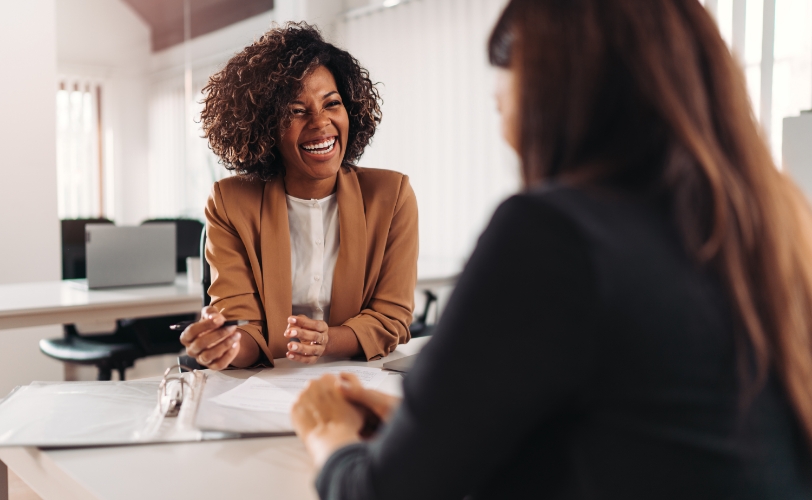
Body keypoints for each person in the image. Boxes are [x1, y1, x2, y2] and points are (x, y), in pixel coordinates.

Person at [290, 0, 812, 498]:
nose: (509, 136)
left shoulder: (555, 235)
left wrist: (328, 435)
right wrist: (434, 432)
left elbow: (381, 494)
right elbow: (639, 441)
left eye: (503, 109)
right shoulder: (775, 225)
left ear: (553, 103)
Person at [179, 23, 418, 369]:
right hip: (265, 384)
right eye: (296, 110)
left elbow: (391, 318)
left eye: (331, 103)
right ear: (265, 126)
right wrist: (225, 345)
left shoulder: (391, 196)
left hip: (357, 377)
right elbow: (244, 328)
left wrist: (327, 341)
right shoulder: (230, 202)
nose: (320, 123)